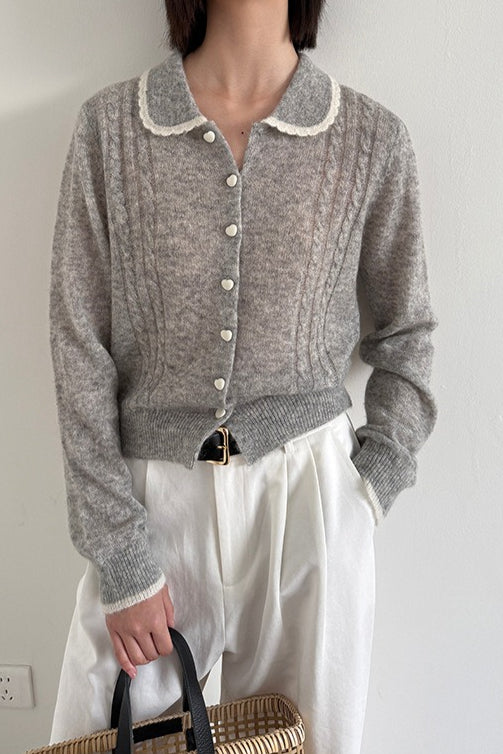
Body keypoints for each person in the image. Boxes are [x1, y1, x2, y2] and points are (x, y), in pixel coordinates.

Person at [47, 1, 438, 752]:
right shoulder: (112, 130)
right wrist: (120, 555)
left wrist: (366, 490)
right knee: (110, 730)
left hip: (311, 503)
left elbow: (406, 332)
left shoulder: (369, 139)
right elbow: (78, 345)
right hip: (152, 506)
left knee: (307, 738)